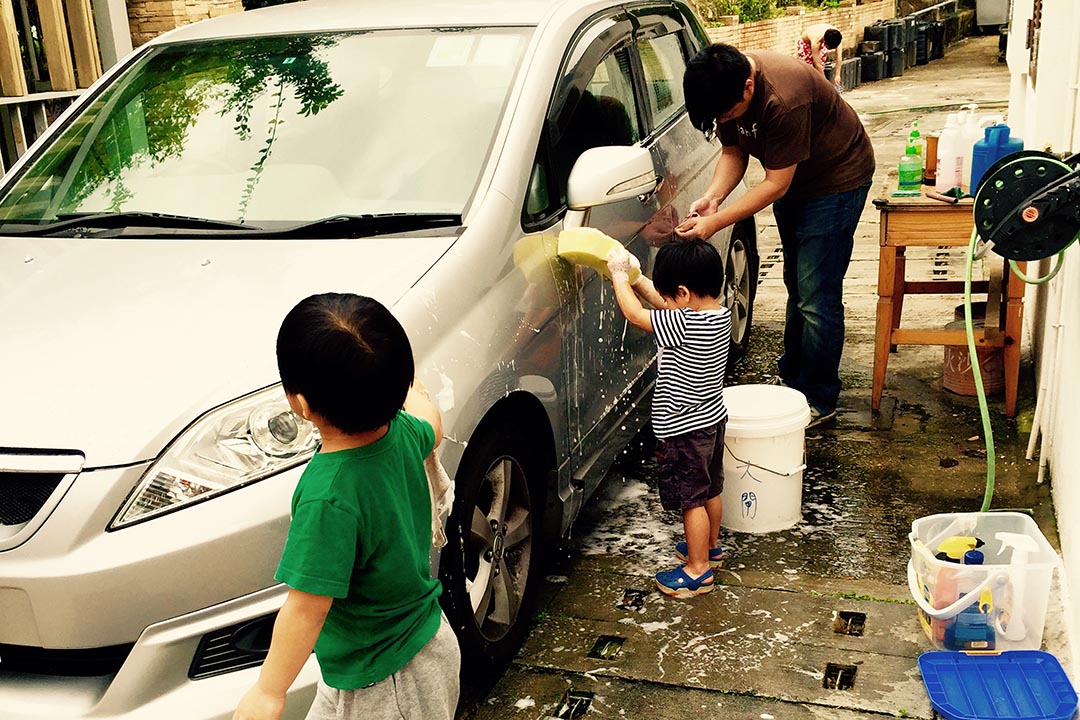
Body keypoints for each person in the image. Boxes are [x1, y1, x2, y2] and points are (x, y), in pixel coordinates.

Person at [232, 293, 459, 720]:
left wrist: (269, 691)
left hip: (387, 680)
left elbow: (307, 606)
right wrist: (407, 387)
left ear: (299, 404)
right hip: (411, 646)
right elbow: (433, 423)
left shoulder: (329, 497)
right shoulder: (403, 433)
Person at [675, 43, 875, 428]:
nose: (724, 120)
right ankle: (793, 379)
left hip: (836, 181)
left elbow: (775, 185)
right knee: (797, 285)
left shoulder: (785, 98)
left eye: (727, 113)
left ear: (749, 87)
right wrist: (712, 199)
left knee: (816, 295)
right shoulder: (725, 87)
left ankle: (818, 397)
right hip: (795, 181)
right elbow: (734, 153)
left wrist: (715, 224)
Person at [605, 239, 731, 598]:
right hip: (711, 423)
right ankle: (711, 548)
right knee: (711, 489)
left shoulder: (684, 324)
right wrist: (638, 277)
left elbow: (636, 314)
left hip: (684, 430)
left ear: (684, 293)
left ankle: (697, 570)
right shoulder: (718, 316)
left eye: (671, 295)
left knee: (691, 500)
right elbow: (666, 304)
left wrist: (618, 277)